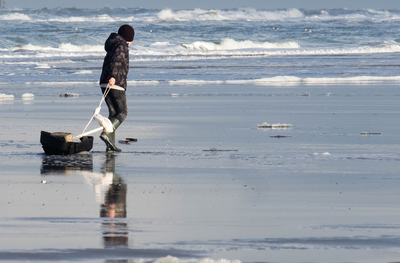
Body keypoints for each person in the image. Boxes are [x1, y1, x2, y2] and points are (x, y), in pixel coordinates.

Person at [99, 24, 134, 152]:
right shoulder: (122, 45)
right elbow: (117, 61)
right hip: (115, 83)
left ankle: (110, 145)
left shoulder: (113, 45)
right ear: (128, 38)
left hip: (104, 83)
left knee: (113, 114)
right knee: (122, 112)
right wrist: (114, 76)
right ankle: (107, 134)